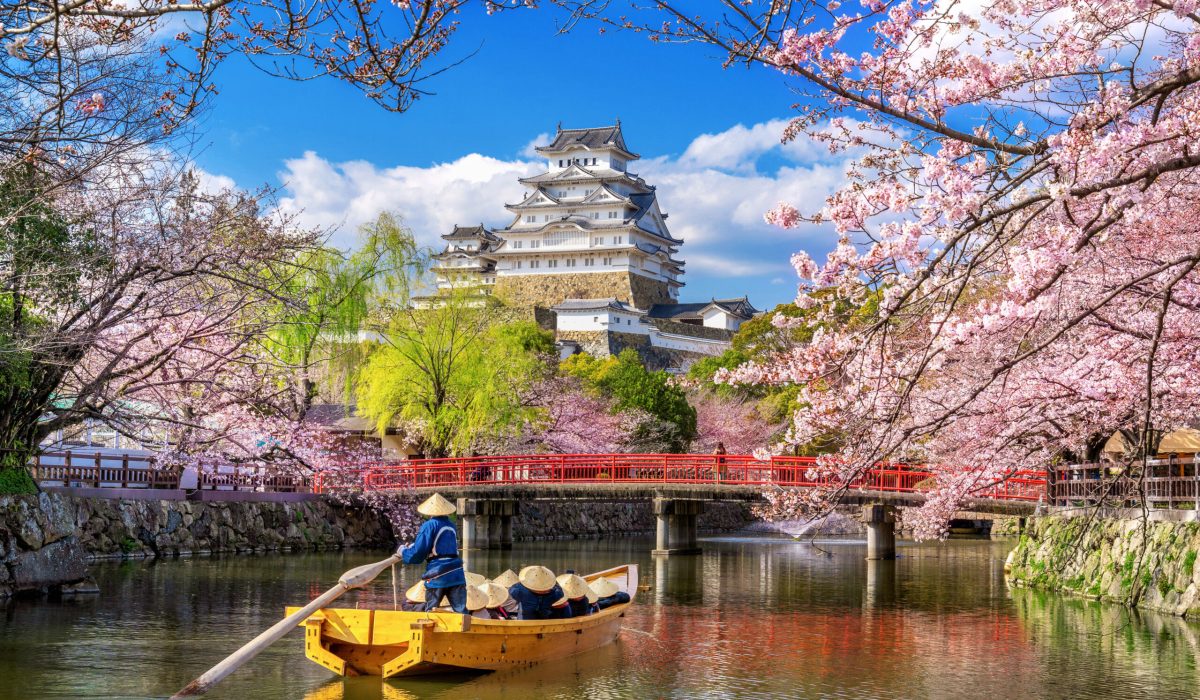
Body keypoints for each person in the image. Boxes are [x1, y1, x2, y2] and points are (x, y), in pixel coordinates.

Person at [399, 493, 468, 613]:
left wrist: (404, 552)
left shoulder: (429, 525)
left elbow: (419, 552)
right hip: (456, 572)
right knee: (461, 611)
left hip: (438, 573)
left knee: (431, 610)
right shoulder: (451, 525)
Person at [508, 565, 573, 620]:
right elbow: (560, 591)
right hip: (543, 623)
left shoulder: (521, 591)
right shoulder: (553, 594)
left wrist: (524, 582)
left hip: (524, 622)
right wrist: (553, 582)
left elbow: (512, 589)